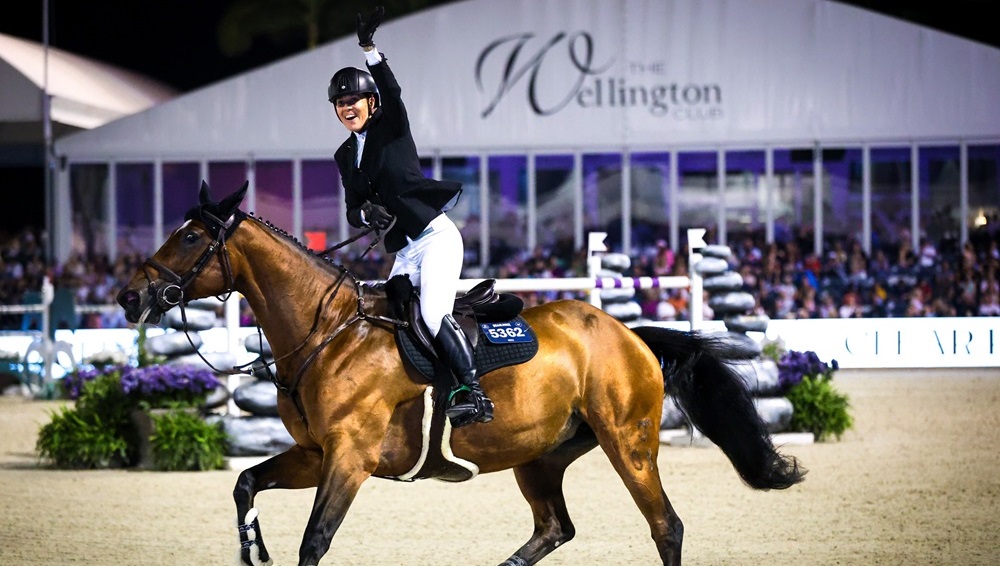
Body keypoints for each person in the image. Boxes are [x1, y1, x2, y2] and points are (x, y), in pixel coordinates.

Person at [329, 6, 493, 427]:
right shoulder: (345, 154)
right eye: (340, 103)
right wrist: (364, 210)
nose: (347, 108)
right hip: (404, 250)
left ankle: (472, 391)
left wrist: (369, 49)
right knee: (391, 311)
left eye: (354, 101)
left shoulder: (391, 126)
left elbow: (392, 90)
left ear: (370, 103)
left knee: (434, 313)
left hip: (434, 238)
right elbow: (351, 210)